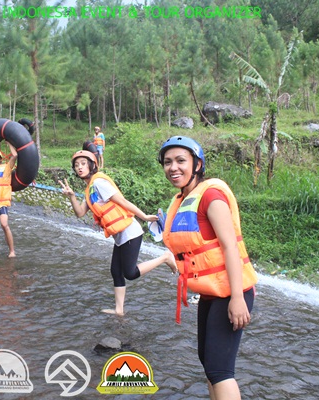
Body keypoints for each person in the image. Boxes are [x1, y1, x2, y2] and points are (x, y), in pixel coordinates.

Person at [157, 136, 258, 400]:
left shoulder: (211, 196)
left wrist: (237, 298)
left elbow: (230, 247)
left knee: (220, 370)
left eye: (181, 160)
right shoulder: (183, 199)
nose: (173, 167)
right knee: (208, 363)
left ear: (197, 164)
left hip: (231, 292)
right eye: (167, 162)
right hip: (211, 293)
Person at [58, 150, 177, 315]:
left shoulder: (98, 183)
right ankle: (119, 310)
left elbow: (122, 201)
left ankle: (165, 257)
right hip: (121, 235)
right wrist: (71, 196)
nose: (80, 167)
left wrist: (143, 216)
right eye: (77, 165)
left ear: (92, 165)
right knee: (116, 271)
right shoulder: (90, 190)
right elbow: (80, 213)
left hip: (130, 232)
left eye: (83, 164)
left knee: (130, 273)